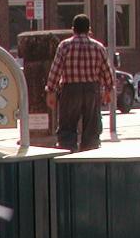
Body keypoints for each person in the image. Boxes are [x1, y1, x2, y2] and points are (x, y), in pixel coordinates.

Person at [45, 13, 114, 153]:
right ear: (89, 29)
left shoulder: (64, 46)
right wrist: (108, 89)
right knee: (91, 126)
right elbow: (107, 70)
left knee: (67, 126)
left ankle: (68, 153)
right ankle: (89, 154)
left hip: (70, 89)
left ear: (73, 29)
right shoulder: (98, 47)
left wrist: (51, 91)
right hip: (92, 89)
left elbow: (55, 70)